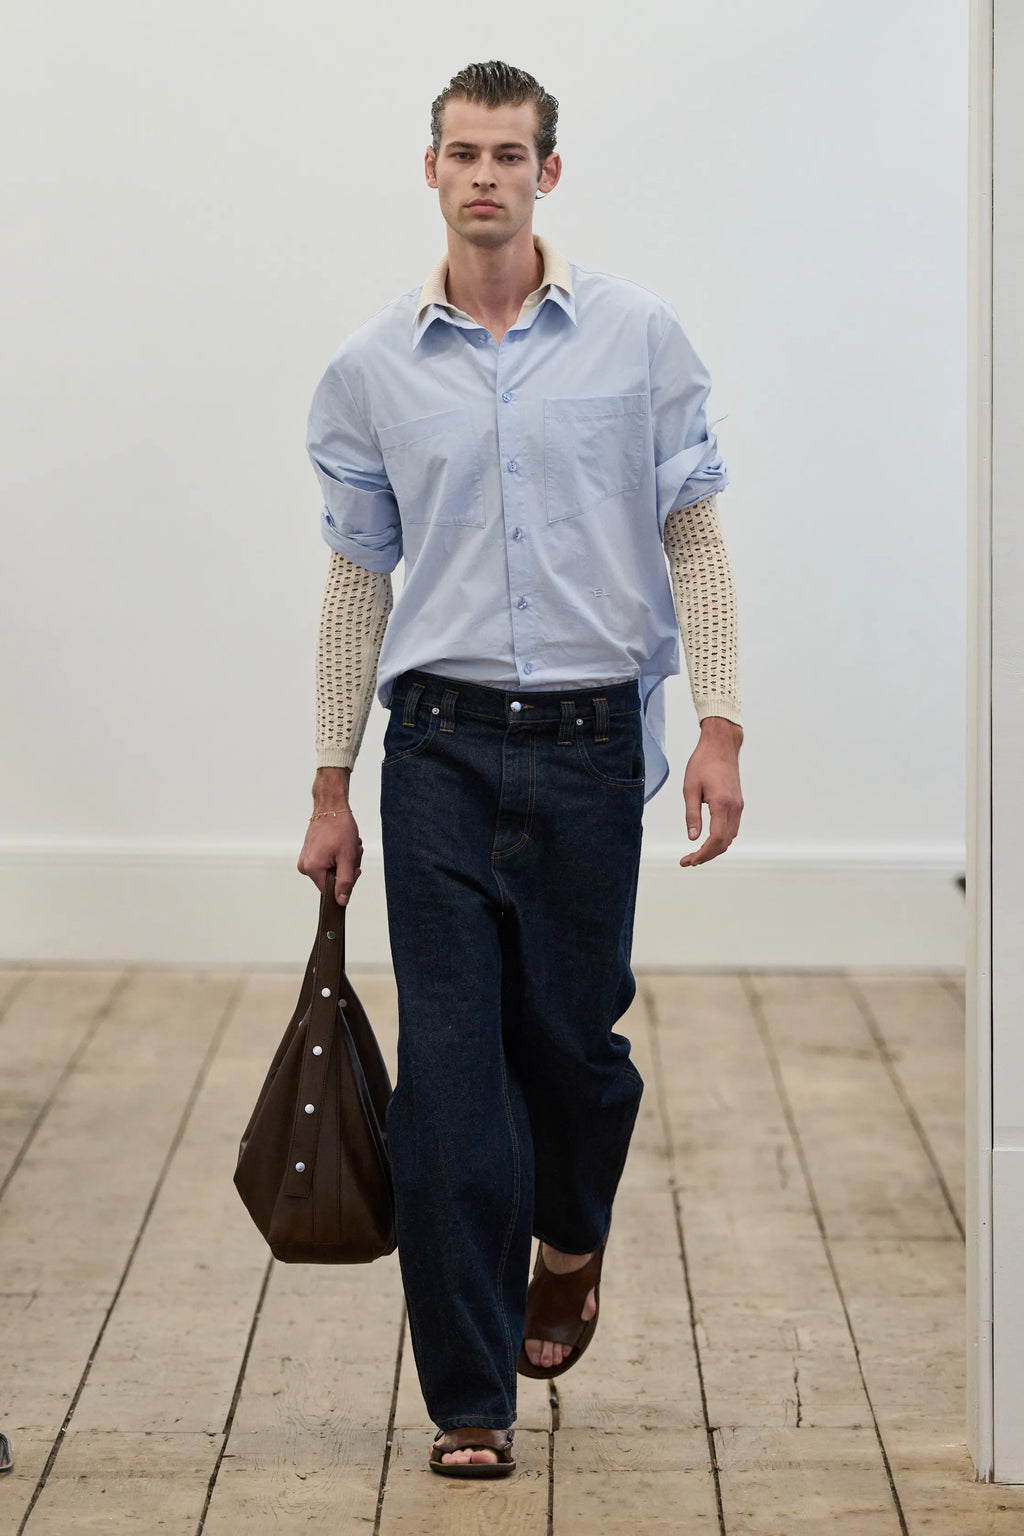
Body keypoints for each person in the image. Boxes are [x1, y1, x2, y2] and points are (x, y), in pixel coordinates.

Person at [297, 59, 743, 1479]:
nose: (484, 174)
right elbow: (358, 583)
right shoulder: (372, 370)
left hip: (592, 745)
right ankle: (469, 1397)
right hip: (436, 747)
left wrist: (721, 723)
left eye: (509, 154)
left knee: (574, 1049)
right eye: (462, 152)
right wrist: (330, 782)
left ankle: (572, 1238)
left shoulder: (638, 338)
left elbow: (693, 536)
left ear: (548, 172)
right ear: (429, 168)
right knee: (449, 1082)